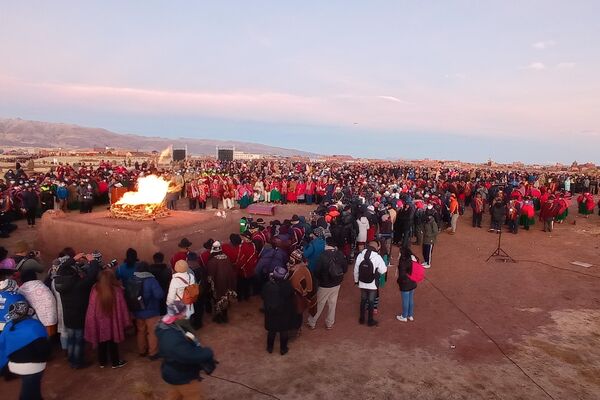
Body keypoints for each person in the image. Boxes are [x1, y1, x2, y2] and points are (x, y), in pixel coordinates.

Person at [155, 302, 217, 400]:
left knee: (174, 394)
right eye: (183, 313)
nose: (184, 315)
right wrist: (207, 352)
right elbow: (188, 355)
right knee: (193, 396)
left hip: (170, 372)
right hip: (182, 376)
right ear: (177, 315)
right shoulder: (172, 337)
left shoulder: (164, 325)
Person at [55, 254, 100, 369]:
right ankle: (77, 362)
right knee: (79, 341)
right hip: (79, 317)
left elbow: (61, 268)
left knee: (71, 339)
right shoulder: (79, 285)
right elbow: (92, 275)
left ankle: (71, 359)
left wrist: (73, 259)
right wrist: (92, 261)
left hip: (68, 317)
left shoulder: (59, 282)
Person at [0, 300, 51, 400]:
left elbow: (2, 346)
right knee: (28, 390)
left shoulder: (8, 326)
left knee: (31, 385)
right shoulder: (35, 325)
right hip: (33, 366)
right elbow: (45, 349)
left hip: (13, 365)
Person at [84, 269, 130, 369]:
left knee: (101, 341)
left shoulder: (95, 289)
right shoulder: (117, 290)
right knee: (113, 342)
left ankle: (102, 362)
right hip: (113, 321)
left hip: (99, 321)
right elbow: (122, 307)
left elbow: (92, 307)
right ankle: (115, 362)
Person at [307, 237, 347, 330]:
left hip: (325, 284)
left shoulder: (322, 255)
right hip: (337, 282)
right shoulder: (340, 254)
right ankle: (329, 323)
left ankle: (312, 322)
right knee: (332, 303)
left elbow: (317, 271)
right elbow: (345, 269)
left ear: (326, 244)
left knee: (320, 304)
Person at [132, 262, 164, 360]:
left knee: (141, 331)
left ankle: (142, 351)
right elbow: (159, 295)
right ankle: (153, 353)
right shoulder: (151, 280)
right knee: (152, 332)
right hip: (151, 312)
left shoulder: (132, 279)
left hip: (137, 311)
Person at [262, 266, 295, 355]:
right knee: (283, 331)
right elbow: (292, 297)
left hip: (271, 312)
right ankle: (283, 349)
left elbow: (263, 297)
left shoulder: (268, 285)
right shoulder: (288, 286)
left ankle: (270, 348)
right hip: (283, 313)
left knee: (271, 331)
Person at [354, 240, 388, 327]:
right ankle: (370, 320)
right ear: (376, 247)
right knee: (371, 301)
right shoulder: (377, 257)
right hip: (372, 283)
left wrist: (356, 281)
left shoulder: (360, 255)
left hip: (362, 282)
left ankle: (361, 319)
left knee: (363, 300)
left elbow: (356, 270)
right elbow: (384, 270)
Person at [19, 269, 58, 337]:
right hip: (51, 312)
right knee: (50, 334)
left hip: (39, 317)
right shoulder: (41, 284)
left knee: (41, 334)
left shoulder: (23, 288)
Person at [206, 242, 237, 323]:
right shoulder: (226, 258)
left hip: (218, 285)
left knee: (217, 300)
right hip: (228, 283)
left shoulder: (212, 261)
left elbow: (210, 277)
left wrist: (210, 285)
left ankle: (218, 317)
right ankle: (225, 316)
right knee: (225, 299)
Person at [396, 248, 418, 322]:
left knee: (405, 300)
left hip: (405, 284)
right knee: (411, 299)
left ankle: (404, 316)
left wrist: (398, 281)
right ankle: (410, 315)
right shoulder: (413, 259)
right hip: (413, 282)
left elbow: (402, 275)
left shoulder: (403, 262)